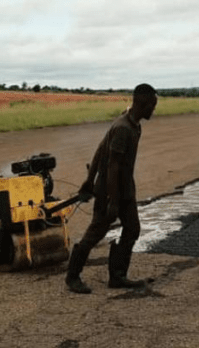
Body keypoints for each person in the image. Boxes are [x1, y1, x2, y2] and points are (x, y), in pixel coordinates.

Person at [65, 83, 158, 294]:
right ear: (143, 104)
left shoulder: (134, 125)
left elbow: (100, 148)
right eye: (152, 105)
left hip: (125, 188)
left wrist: (89, 180)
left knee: (132, 229)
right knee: (96, 231)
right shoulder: (123, 129)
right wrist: (112, 200)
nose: (154, 109)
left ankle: (117, 276)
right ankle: (72, 276)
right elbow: (112, 165)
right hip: (110, 189)